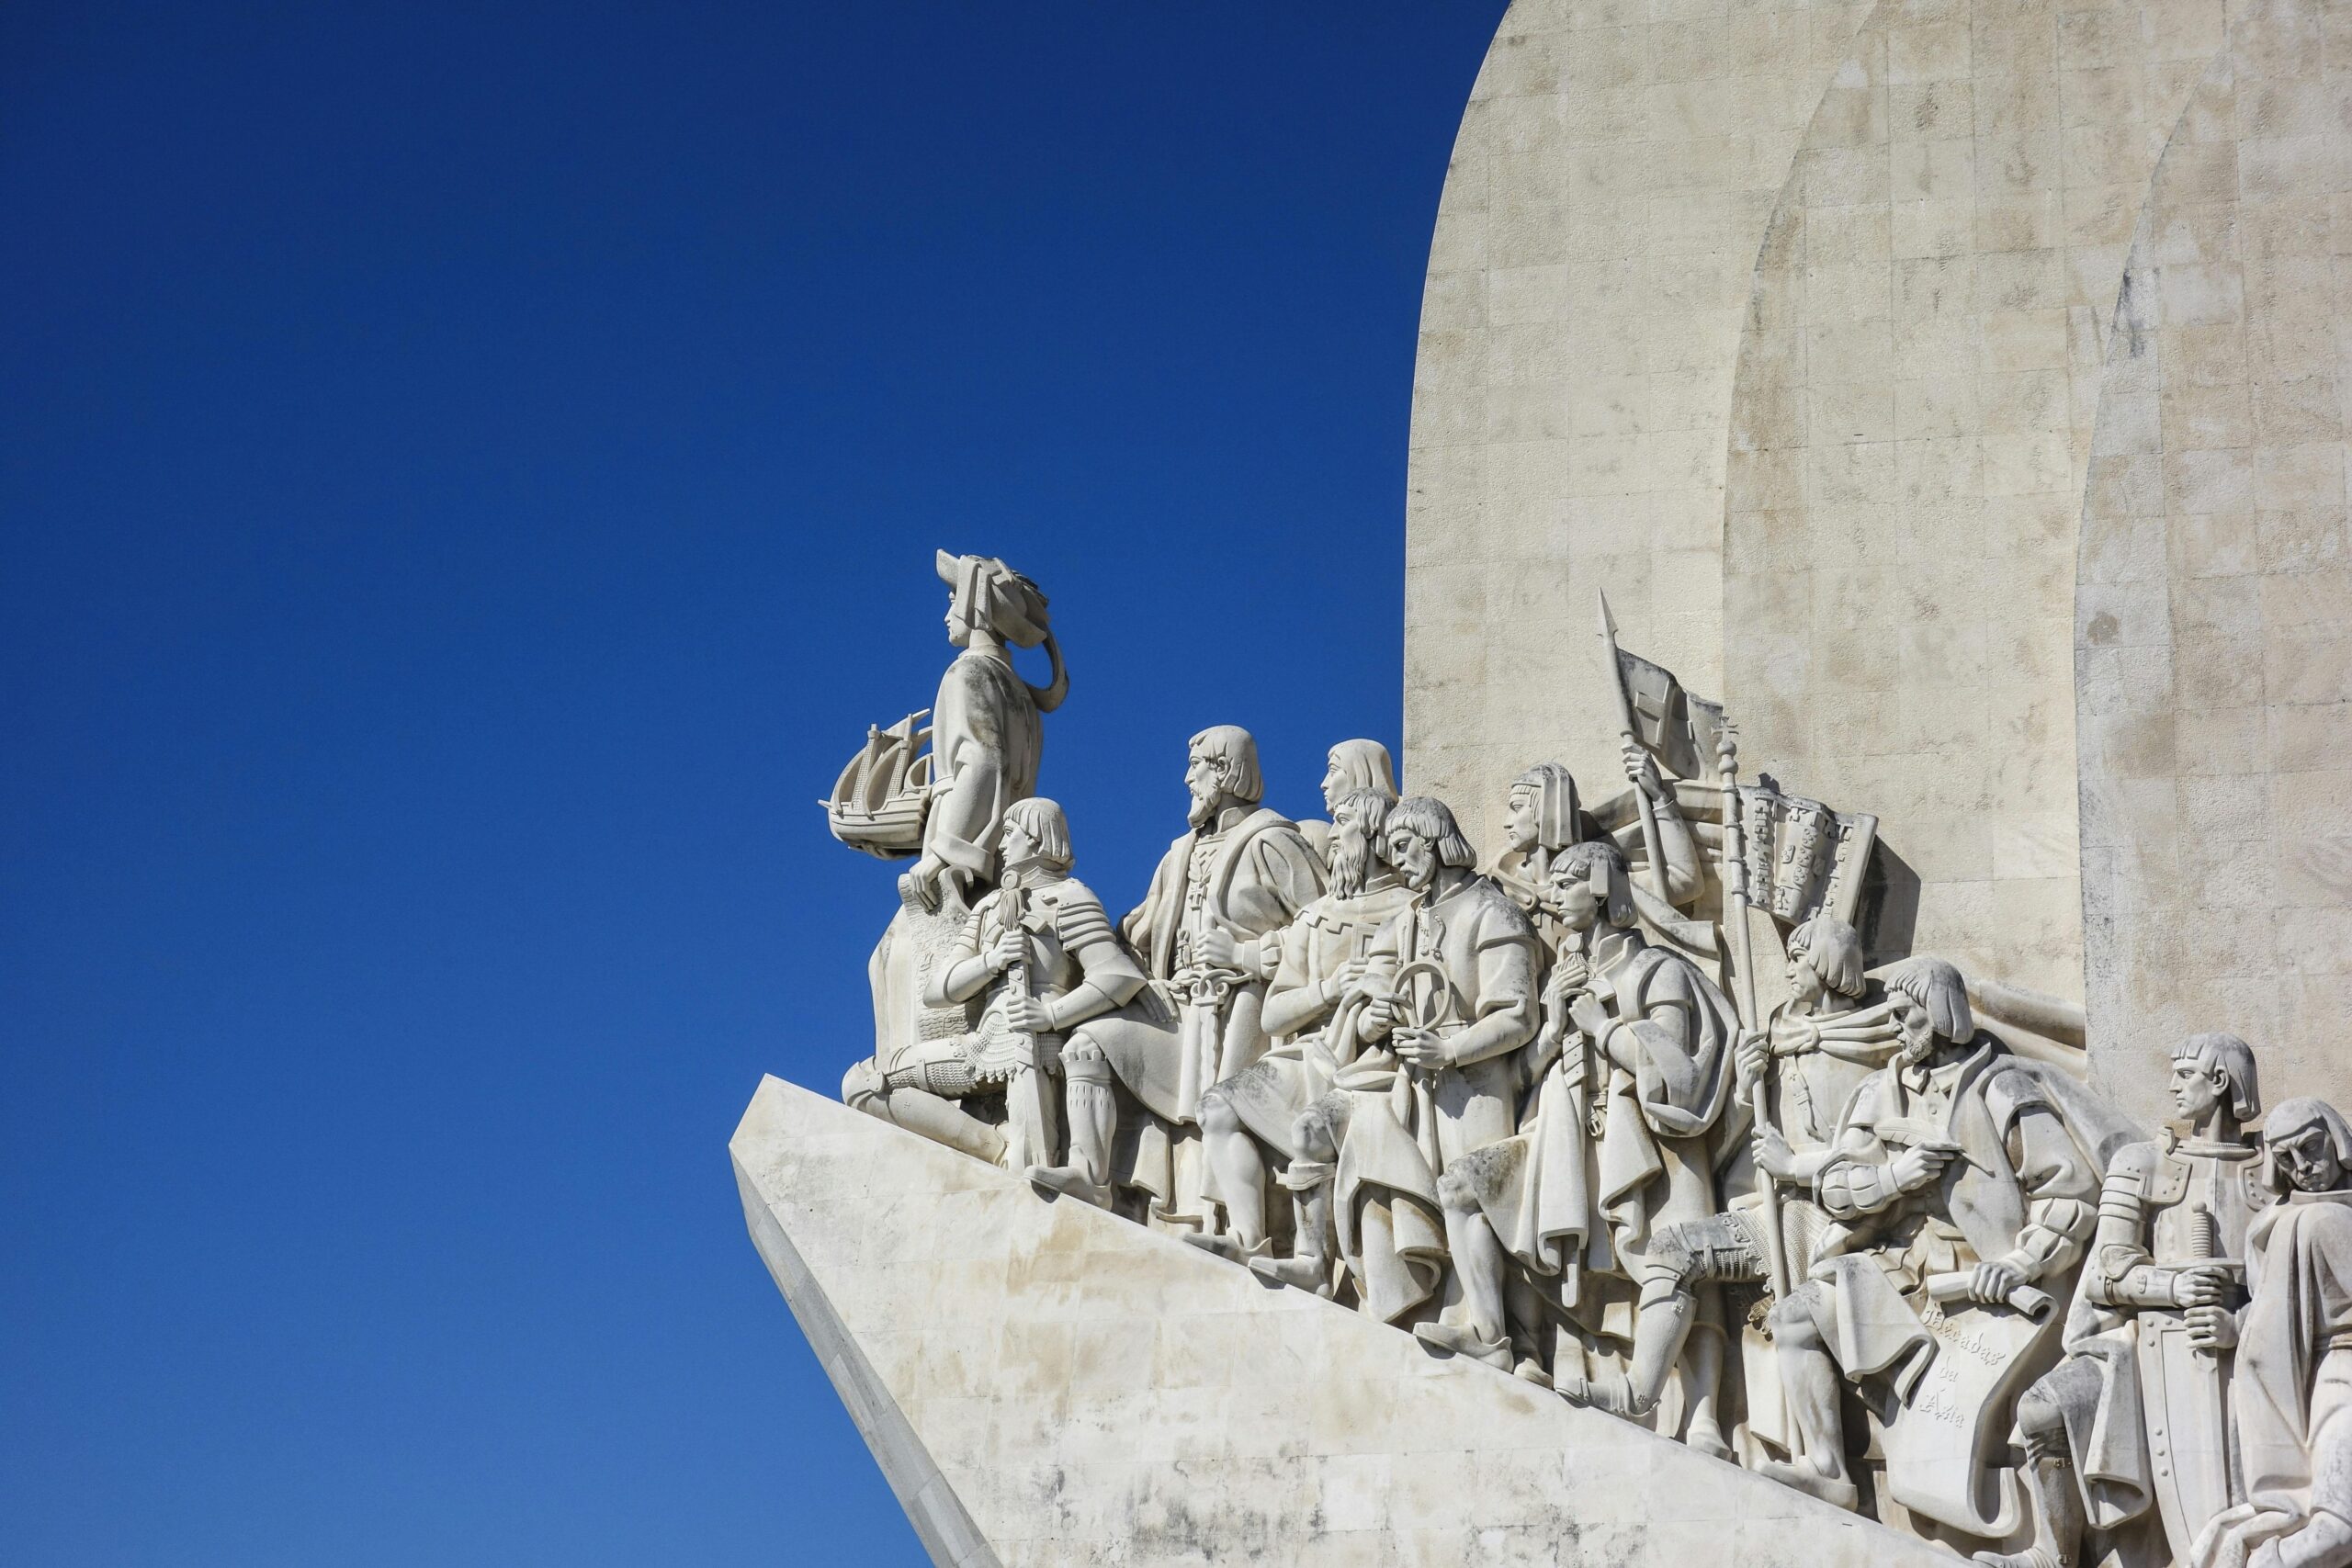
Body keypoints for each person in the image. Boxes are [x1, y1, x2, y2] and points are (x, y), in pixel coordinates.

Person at [1762, 957, 2098, 1527]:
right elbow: (1836, 1189)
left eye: (1906, 1015)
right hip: (1900, 1262)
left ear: (1940, 1015)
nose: (1895, 1028)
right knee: (1795, 1315)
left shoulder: (2000, 1085)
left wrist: (2022, 1260)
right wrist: (1895, 1177)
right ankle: (1829, 1470)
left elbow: (2069, 1190)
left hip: (1980, 1273)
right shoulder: (1881, 1090)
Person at [1979, 1033, 2266, 1568]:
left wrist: (2243, 1316)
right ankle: (2054, 1551)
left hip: (2248, 1338)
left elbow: (2300, 1275)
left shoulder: (2273, 1169)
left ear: (2220, 1082)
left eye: (2185, 1075)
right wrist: (2172, 1287)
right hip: (2140, 1343)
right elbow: (2107, 1272)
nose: (2171, 1086)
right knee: (2042, 1408)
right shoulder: (2142, 1162)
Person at [1027, 726, 1320, 1219]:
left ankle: (1237, 1227)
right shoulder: (1177, 854)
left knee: (1223, 1116)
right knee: (1087, 1044)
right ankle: (1086, 1174)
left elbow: (1328, 926)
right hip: (1175, 1006)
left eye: (1197, 766)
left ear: (1224, 770)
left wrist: (1247, 956)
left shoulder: (1272, 842)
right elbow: (1135, 931)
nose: (1188, 778)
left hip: (1242, 1013)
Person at [1328, 796, 1540, 1362]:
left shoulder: (1493, 911)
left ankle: (1500, 1336)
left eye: (1403, 846)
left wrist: (1449, 1049)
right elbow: (1375, 985)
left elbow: (1517, 1014)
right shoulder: (1407, 920)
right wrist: (1374, 1015)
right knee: (1423, 1195)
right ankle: (1448, 1314)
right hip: (1416, 1085)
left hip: (1476, 1084)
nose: (1396, 862)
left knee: (1470, 1194)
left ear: (1435, 839)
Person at [842, 799, 1139, 1173]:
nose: (1000, 844)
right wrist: (991, 961)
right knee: (865, 1083)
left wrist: (1049, 1015)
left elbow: (1117, 977)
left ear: (1035, 838)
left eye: (1010, 834)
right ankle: (994, 1150)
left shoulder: (1069, 896)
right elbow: (937, 991)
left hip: (1039, 1044)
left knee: (1031, 1170)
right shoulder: (989, 908)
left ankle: (1017, 1157)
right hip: (982, 1045)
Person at [1189, 787, 1411, 1272]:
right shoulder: (1317, 916)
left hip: (1379, 1059)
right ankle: (1249, 1238)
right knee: (1217, 1107)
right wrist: (1328, 990)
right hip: (1313, 1052)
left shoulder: (1412, 909)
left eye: (1345, 822)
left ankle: (1313, 1260)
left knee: (1311, 1128)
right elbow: (1274, 1015)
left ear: (1373, 832)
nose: (1332, 834)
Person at [861, 552, 1068, 1074]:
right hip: (1002, 856)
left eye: (954, 597)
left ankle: (903, 1089)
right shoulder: (1019, 693)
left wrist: (943, 853)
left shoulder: (969, 672)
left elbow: (982, 763)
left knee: (897, 965)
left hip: (964, 862)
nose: (947, 611)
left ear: (977, 603)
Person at [2189, 1098, 2352, 1568]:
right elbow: (2273, 1307)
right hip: (2334, 1375)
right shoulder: (2284, 1223)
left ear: (2337, 1140)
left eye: (2311, 1147)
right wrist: (2236, 1326)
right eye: (2285, 1159)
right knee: (2334, 1534)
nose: (2303, 1167)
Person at [1295, 739, 1400, 871]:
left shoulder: (1399, 826)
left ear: (1361, 772)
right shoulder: (1325, 836)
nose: (1324, 784)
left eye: (1333, 771)